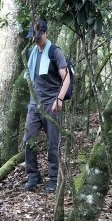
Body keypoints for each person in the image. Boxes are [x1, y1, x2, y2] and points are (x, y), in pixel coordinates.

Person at [23, 18, 70, 192]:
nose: (36, 39)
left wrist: (59, 99)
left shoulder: (54, 51)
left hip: (51, 103)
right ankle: (33, 176)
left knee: (52, 143)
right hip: (34, 104)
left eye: (39, 35)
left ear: (46, 33)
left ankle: (53, 178)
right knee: (29, 140)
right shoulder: (31, 52)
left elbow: (66, 78)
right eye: (34, 35)